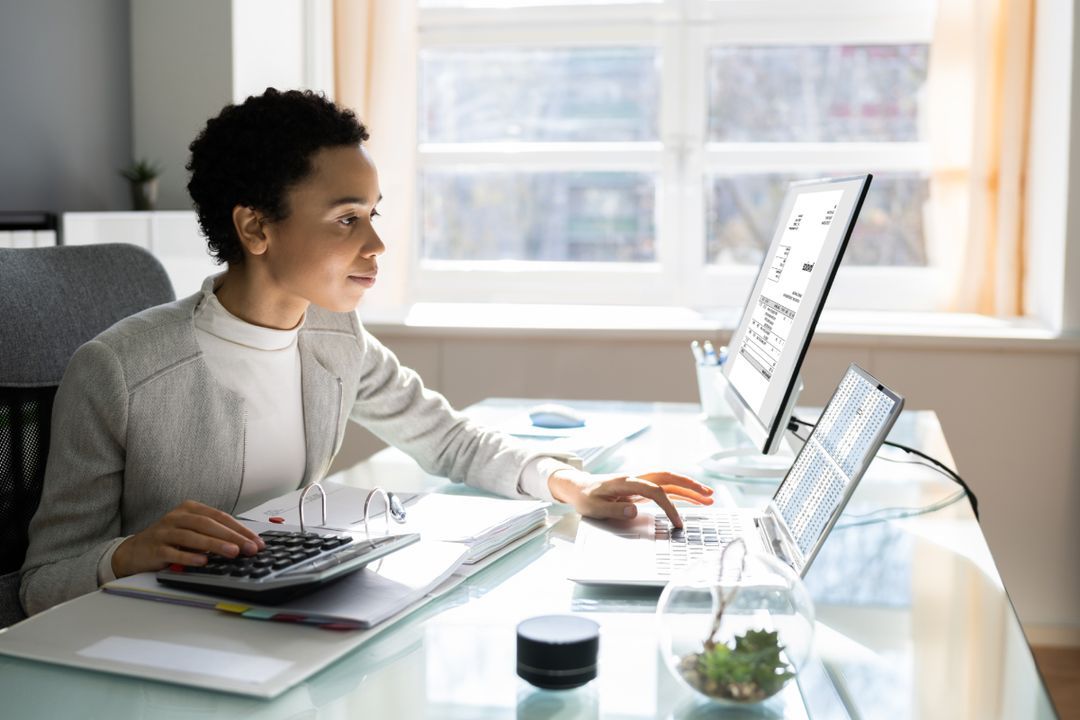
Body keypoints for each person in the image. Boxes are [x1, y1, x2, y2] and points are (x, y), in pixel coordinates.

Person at [19, 88, 712, 616]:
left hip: (286, 616)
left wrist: (571, 484)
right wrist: (126, 555)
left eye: (373, 215)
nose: (375, 246)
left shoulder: (333, 336)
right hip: (158, 642)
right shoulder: (116, 371)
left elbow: (448, 438)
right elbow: (40, 582)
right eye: (347, 219)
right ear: (255, 227)